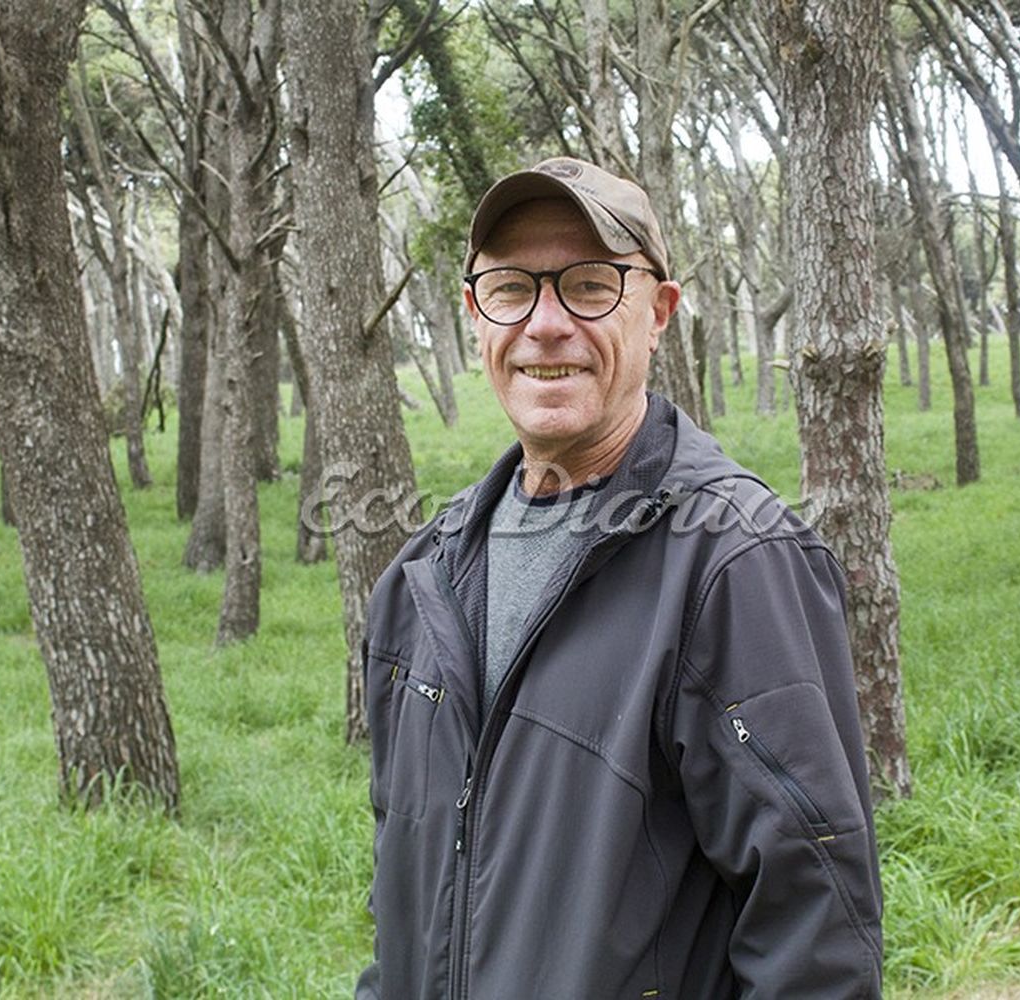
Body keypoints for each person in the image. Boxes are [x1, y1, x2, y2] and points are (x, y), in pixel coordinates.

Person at [355, 156, 883, 999]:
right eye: (511, 288)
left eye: (591, 285)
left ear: (658, 312)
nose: (546, 323)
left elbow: (815, 926)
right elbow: (404, 892)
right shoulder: (423, 577)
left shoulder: (734, 565)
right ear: (472, 314)